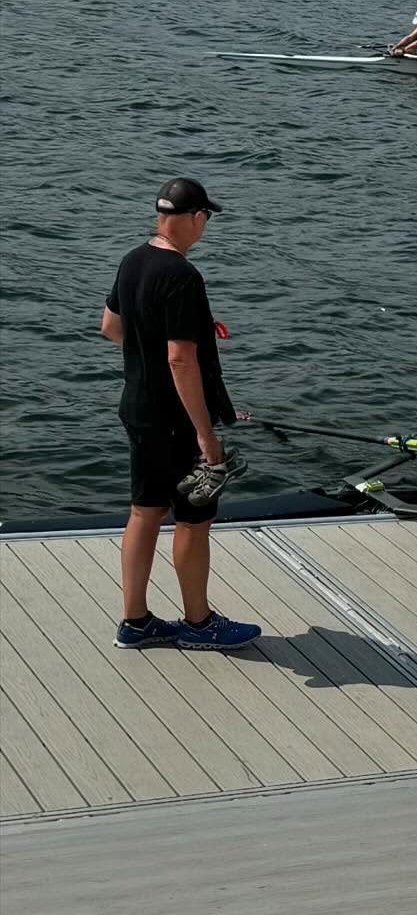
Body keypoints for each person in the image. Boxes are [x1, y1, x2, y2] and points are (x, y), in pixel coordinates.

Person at [100, 179, 261, 651]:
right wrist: (206, 436)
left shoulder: (133, 260)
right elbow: (180, 360)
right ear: (194, 217)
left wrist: (156, 347)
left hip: (137, 407)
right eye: (205, 217)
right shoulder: (183, 276)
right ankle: (198, 623)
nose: (205, 226)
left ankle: (135, 621)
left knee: (144, 510)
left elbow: (110, 326)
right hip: (175, 420)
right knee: (193, 517)